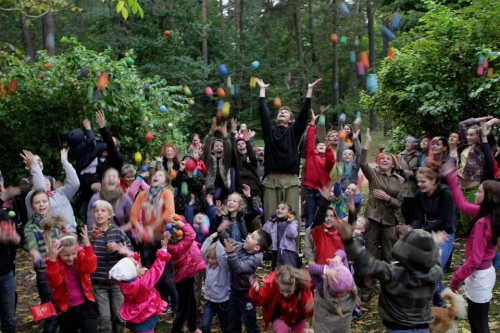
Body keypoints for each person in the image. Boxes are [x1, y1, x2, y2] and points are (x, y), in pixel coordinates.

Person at [339, 220, 444, 333]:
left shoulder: (393, 273)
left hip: (397, 329)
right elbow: (435, 261)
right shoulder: (435, 273)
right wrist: (433, 246)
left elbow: (366, 262)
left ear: (404, 249)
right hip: (423, 329)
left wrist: (348, 241)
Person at [444, 124, 499, 333]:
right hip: (483, 274)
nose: (476, 193)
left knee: (478, 323)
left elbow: (475, 260)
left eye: (480, 191)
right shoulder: (486, 213)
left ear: (488, 198)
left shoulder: (483, 222)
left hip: (480, 274)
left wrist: (456, 279)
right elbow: (462, 204)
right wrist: (452, 178)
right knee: (478, 318)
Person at [256, 77, 322, 221]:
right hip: (270, 182)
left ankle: (293, 245)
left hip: (290, 182)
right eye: (280, 111)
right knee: (270, 219)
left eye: (286, 112)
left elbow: (304, 114)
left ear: (291, 120)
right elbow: (263, 113)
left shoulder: (294, 132)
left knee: (292, 219)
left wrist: (309, 90)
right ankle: (271, 244)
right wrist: (262, 90)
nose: (282, 112)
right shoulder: (270, 131)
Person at [359, 128, 404, 301]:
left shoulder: (399, 181)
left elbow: (399, 203)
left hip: (388, 220)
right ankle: (368, 288)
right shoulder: (373, 174)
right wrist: (367, 142)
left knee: (389, 254)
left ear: (393, 164)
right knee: (370, 253)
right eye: (382, 158)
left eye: (388, 159)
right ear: (378, 163)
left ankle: (389, 286)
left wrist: (387, 198)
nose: (384, 159)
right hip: (372, 218)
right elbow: (363, 163)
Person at [129, 169, 177, 315]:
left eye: (160, 174)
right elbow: (133, 216)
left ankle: (176, 309)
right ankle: (155, 306)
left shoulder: (167, 193)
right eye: (154, 174)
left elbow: (169, 213)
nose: (156, 175)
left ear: (166, 181)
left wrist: (150, 227)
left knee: (168, 277)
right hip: (148, 241)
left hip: (164, 240)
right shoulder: (143, 195)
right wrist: (141, 230)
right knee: (151, 276)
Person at [412, 162, 455, 307]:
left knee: (435, 270)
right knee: (423, 269)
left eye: (423, 181)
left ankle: (439, 305)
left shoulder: (445, 193)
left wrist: (423, 231)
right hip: (427, 231)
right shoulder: (419, 194)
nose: (420, 184)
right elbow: (418, 217)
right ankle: (429, 303)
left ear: (433, 181)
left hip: (444, 234)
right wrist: (414, 230)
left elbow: (445, 220)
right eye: (418, 181)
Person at [109, 234, 171, 333]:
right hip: (145, 315)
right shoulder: (143, 283)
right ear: (134, 271)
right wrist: (164, 249)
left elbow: (136, 268)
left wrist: (129, 253)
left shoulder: (125, 283)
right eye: (135, 263)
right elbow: (157, 269)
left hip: (135, 318)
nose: (137, 262)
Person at [89, 200, 135, 333]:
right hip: (98, 282)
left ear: (109, 215)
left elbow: (131, 253)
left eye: (103, 211)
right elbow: (82, 254)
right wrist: (91, 241)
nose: (99, 213)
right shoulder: (90, 233)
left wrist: (119, 248)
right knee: (104, 317)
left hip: (117, 282)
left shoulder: (118, 232)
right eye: (96, 211)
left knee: (120, 316)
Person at [217, 224, 272, 333]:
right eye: (250, 234)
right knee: (232, 320)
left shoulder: (255, 259)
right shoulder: (241, 246)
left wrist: (230, 253)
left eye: (252, 237)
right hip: (235, 291)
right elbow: (228, 241)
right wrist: (221, 232)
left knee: (250, 321)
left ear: (256, 248)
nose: (248, 235)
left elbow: (238, 268)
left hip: (247, 295)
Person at [45, 224, 98, 333]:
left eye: (73, 254)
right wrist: (52, 261)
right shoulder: (55, 263)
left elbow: (90, 268)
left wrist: (88, 246)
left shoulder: (79, 257)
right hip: (66, 308)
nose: (70, 258)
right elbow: (55, 282)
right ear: (58, 253)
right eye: (66, 255)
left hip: (85, 305)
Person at [24, 193, 62, 333]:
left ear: (49, 203)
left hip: (60, 272)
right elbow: (31, 244)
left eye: (44, 201)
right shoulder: (30, 227)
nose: (41, 205)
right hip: (44, 275)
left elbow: (64, 239)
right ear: (32, 206)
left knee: (62, 308)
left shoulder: (55, 222)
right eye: (37, 202)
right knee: (51, 311)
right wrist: (35, 253)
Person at [456, 116, 500, 232]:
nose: (468, 137)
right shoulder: (466, 146)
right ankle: (470, 247)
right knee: (465, 223)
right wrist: (482, 118)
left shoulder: (480, 148)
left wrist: (492, 121)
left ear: (478, 137)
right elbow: (462, 124)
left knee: (475, 222)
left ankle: (480, 247)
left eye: (472, 135)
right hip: (462, 190)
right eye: (468, 135)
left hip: (474, 190)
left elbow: (483, 130)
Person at [22, 149, 80, 232]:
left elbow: (75, 183)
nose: (44, 180)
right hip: (51, 238)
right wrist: (34, 165)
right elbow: (40, 188)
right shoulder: (32, 197)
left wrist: (65, 162)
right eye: (35, 161)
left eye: (39, 161)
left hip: (71, 235)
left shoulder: (60, 193)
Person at [165, 216, 206, 333]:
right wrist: (180, 224)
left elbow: (187, 230)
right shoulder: (178, 247)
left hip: (188, 276)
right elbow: (191, 234)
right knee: (184, 308)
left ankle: (192, 327)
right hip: (184, 280)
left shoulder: (182, 242)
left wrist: (177, 221)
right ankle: (176, 330)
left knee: (192, 303)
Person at [248, 265, 314, 333]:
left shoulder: (303, 290)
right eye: (282, 291)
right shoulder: (272, 286)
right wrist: (255, 292)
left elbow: (310, 309)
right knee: (282, 330)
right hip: (279, 317)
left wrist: (310, 308)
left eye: (289, 291)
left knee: (305, 332)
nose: (285, 294)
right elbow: (259, 301)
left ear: (295, 287)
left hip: (297, 319)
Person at [308, 250, 357, 333]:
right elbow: (343, 254)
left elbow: (311, 268)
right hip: (342, 327)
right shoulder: (350, 287)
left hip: (323, 327)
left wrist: (326, 271)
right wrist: (339, 257)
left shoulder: (323, 288)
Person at [303, 110, 336, 228]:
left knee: (321, 216)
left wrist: (328, 149)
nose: (322, 146)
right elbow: (310, 141)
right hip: (311, 191)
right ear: (316, 149)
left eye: (324, 145)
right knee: (310, 216)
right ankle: (309, 238)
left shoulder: (327, 158)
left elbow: (331, 163)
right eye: (320, 145)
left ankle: (320, 238)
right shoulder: (311, 155)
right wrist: (312, 123)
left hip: (322, 191)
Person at [200, 233, 230, 333]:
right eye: (209, 258)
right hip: (209, 301)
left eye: (213, 258)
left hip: (222, 302)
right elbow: (203, 251)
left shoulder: (224, 268)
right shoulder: (208, 265)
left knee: (225, 327)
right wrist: (210, 238)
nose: (210, 260)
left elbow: (221, 256)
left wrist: (219, 242)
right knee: (204, 326)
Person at [230, 119, 262, 203]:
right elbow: (232, 150)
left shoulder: (252, 157)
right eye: (238, 145)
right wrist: (232, 132)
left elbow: (252, 155)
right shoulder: (236, 159)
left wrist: (247, 141)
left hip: (254, 193)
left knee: (256, 214)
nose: (241, 145)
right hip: (240, 194)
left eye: (242, 144)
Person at [0, 208, 21, 333]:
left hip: (5, 272)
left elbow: (17, 240)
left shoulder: (2, 214)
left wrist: (12, 236)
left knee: (9, 318)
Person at [262, 202, 298, 269]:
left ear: (288, 213)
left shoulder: (293, 222)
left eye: (282, 209)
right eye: (278, 208)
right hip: (276, 249)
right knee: (276, 268)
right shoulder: (274, 222)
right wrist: (270, 221)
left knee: (288, 268)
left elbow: (293, 234)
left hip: (287, 250)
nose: (279, 210)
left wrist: (289, 222)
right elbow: (265, 231)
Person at [203, 119, 232, 201]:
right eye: (217, 146)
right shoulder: (209, 159)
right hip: (210, 191)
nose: (219, 147)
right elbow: (206, 148)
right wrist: (210, 133)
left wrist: (225, 135)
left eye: (221, 146)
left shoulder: (225, 160)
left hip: (224, 191)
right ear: (212, 150)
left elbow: (228, 149)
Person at [95, 110, 124, 180]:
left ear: (117, 149)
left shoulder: (117, 160)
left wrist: (103, 129)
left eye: (111, 145)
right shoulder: (95, 157)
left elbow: (111, 146)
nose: (107, 147)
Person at [398, 136, 420, 224]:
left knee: (414, 210)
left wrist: (409, 172)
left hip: (414, 186)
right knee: (404, 210)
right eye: (407, 142)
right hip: (403, 186)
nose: (408, 144)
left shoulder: (419, 155)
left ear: (414, 144)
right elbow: (396, 169)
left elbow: (420, 171)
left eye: (410, 142)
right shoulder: (400, 155)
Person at [336, 127, 361, 192]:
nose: (347, 155)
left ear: (353, 158)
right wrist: (342, 138)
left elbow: (359, 152)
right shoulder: (340, 163)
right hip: (341, 189)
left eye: (349, 154)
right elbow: (339, 151)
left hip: (352, 189)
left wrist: (355, 140)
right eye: (345, 154)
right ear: (342, 157)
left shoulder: (356, 164)